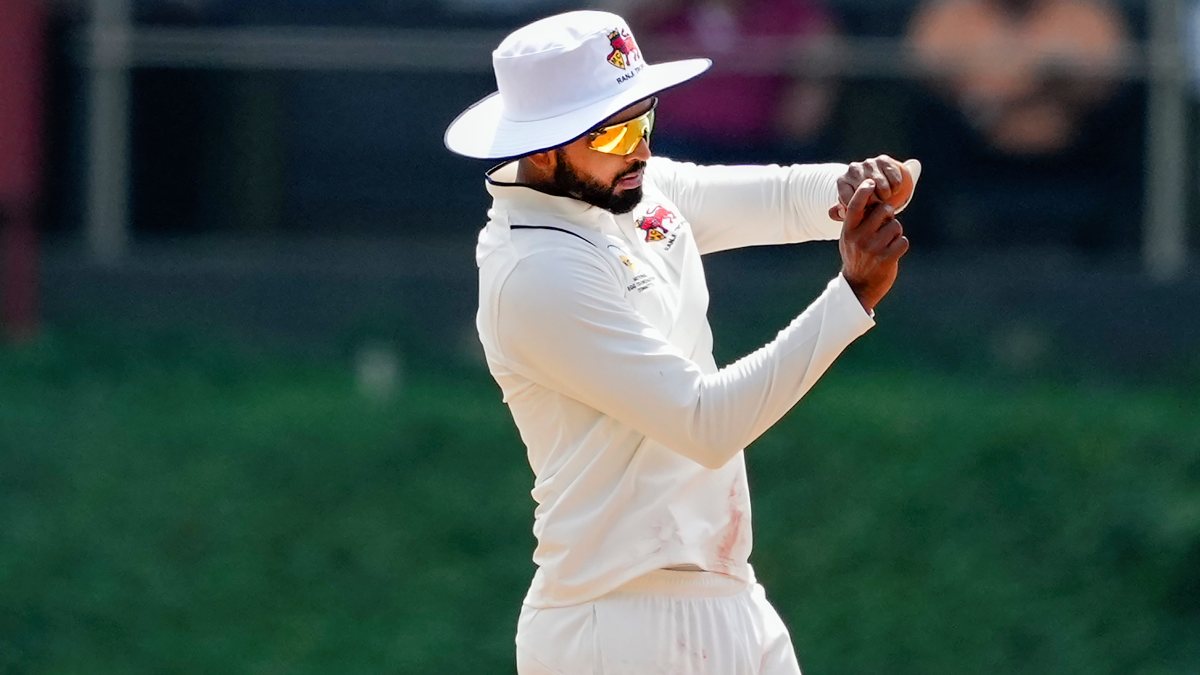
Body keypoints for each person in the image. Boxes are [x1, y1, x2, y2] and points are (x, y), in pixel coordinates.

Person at [444, 10, 919, 674]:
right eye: (616, 131)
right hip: (616, 617)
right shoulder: (534, 270)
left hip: (727, 593)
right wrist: (853, 295)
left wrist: (858, 186)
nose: (640, 149)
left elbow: (785, 199)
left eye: (645, 119)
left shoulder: (627, 187)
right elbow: (703, 422)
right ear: (544, 147)